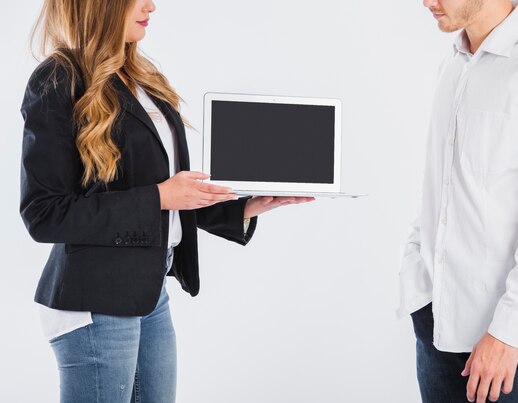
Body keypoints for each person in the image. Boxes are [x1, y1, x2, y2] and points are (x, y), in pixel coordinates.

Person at [20, 0, 313, 401]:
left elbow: (162, 193)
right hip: (94, 298)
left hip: (149, 290)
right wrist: (160, 196)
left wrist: (243, 208)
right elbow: (44, 214)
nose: (151, 5)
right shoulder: (57, 79)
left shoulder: (140, 77)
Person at [397, 0, 518, 402]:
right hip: (438, 329)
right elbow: (442, 190)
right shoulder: (453, 66)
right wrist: (417, 287)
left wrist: (506, 330)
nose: (426, 1)